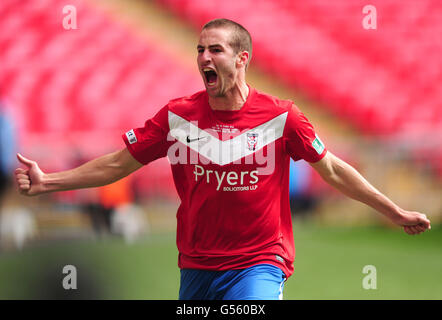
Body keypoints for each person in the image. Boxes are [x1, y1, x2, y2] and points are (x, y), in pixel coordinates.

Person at [14, 18, 431, 300]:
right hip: (196, 264)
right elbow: (117, 164)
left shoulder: (282, 116)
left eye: (215, 49)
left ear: (242, 58)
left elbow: (335, 170)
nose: (203, 58)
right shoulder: (177, 117)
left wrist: (392, 211)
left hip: (260, 262)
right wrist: (48, 182)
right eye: (199, 50)